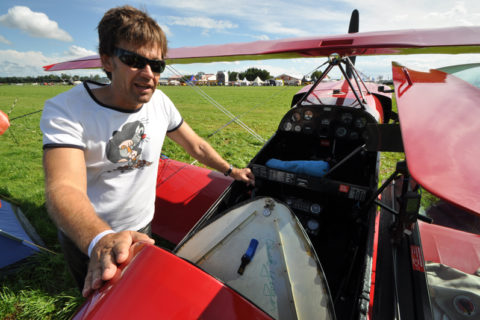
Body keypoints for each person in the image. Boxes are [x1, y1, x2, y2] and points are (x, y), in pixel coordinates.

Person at [40, 5, 254, 298]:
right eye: (134, 60)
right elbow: (63, 187)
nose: (149, 74)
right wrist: (100, 240)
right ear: (106, 61)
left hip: (142, 224)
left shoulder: (161, 102)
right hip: (90, 234)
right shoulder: (67, 109)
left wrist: (230, 170)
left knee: (138, 295)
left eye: (157, 65)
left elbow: (196, 145)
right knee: (99, 303)